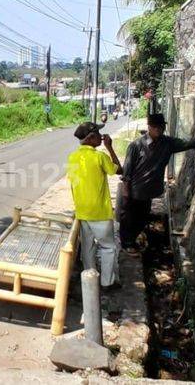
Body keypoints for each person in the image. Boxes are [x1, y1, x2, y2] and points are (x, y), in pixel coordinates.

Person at [118, 113, 195, 254]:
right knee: (129, 219)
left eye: (161, 127)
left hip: (148, 192)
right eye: (155, 127)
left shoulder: (167, 143)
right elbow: (127, 172)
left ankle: (132, 241)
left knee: (142, 219)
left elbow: (189, 143)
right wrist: (126, 192)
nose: (159, 130)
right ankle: (127, 244)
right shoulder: (136, 146)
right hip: (135, 191)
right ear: (149, 127)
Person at [67, 122, 123, 288]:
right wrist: (110, 147)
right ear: (91, 138)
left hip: (82, 212)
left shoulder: (72, 157)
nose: (101, 136)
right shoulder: (99, 157)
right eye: (98, 134)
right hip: (100, 213)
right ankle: (108, 282)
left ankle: (89, 281)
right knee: (108, 248)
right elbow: (119, 170)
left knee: (88, 249)